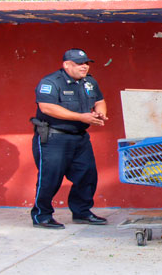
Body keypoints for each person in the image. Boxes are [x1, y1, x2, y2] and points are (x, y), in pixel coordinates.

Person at [30, 49, 109, 229]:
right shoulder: (51, 82)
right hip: (53, 138)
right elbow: (47, 107)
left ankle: (82, 212)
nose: (84, 67)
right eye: (79, 64)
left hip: (79, 138)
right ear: (66, 65)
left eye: (86, 63)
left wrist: (100, 113)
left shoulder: (89, 82)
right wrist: (81, 117)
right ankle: (42, 216)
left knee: (87, 175)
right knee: (50, 178)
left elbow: (100, 100)